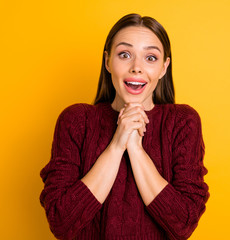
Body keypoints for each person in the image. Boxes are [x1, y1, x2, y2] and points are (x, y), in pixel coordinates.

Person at [40, 13, 209, 240]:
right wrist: (117, 145)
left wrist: (136, 149)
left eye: (150, 58)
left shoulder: (182, 122)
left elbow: (182, 224)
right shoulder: (76, 120)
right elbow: (61, 222)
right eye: (125, 54)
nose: (136, 68)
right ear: (108, 61)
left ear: (164, 67)